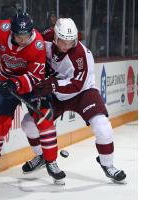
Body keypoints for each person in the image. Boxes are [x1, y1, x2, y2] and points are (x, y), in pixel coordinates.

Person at [20, 18, 126, 182]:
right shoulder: (45, 38)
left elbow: (77, 84)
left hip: (83, 92)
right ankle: (41, 156)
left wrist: (53, 84)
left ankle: (108, 164)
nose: (67, 46)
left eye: (71, 42)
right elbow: (31, 52)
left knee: (103, 126)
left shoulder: (80, 55)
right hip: (55, 93)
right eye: (63, 41)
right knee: (28, 123)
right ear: (55, 36)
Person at [0, 12, 65, 183]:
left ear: (31, 31)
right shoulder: (1, 29)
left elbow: (36, 77)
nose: (23, 39)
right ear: (11, 32)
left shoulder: (37, 45)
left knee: (43, 118)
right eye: (19, 36)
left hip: (32, 84)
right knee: (0, 123)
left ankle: (51, 161)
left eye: (26, 35)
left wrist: (16, 84)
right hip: (6, 79)